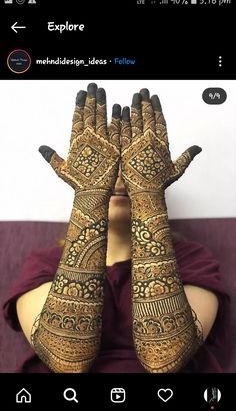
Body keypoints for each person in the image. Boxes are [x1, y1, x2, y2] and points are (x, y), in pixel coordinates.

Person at [3, 83, 228, 373]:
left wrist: (147, 194)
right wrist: (90, 195)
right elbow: (67, 360)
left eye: (128, 166)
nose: (118, 180)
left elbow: (164, 359)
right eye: (109, 168)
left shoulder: (191, 258)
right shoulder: (45, 264)